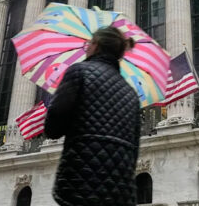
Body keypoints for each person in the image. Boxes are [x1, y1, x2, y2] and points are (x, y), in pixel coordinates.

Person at [44, 26, 141, 206]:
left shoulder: (79, 72)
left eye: (88, 44)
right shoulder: (132, 94)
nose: (86, 48)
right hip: (121, 193)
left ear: (96, 45)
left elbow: (53, 129)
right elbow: (134, 150)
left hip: (80, 185)